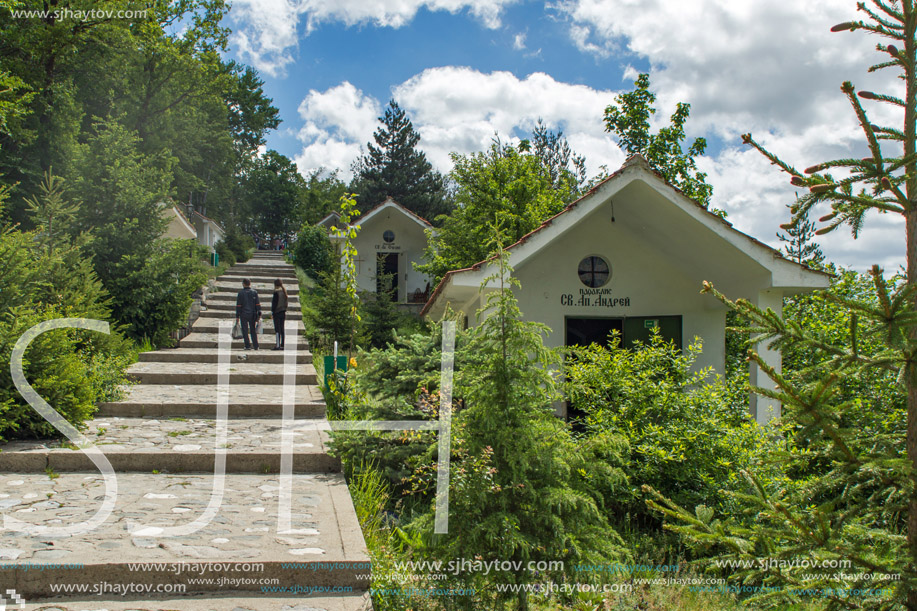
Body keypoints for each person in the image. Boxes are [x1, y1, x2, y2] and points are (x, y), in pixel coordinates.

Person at [235, 278, 262, 350]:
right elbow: (257, 304)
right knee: (253, 330)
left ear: (243, 284)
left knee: (245, 330)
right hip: (252, 314)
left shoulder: (240, 293)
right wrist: (259, 313)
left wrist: (237, 316)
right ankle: (256, 345)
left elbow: (238, 305)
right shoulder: (254, 292)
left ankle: (247, 345)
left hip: (243, 314)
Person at [271, 278, 289, 350]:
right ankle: (283, 344)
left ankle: (278, 345)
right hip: (283, 311)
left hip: (277, 312)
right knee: (282, 329)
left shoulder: (276, 293)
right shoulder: (284, 292)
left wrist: (272, 312)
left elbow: (274, 304)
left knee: (277, 329)